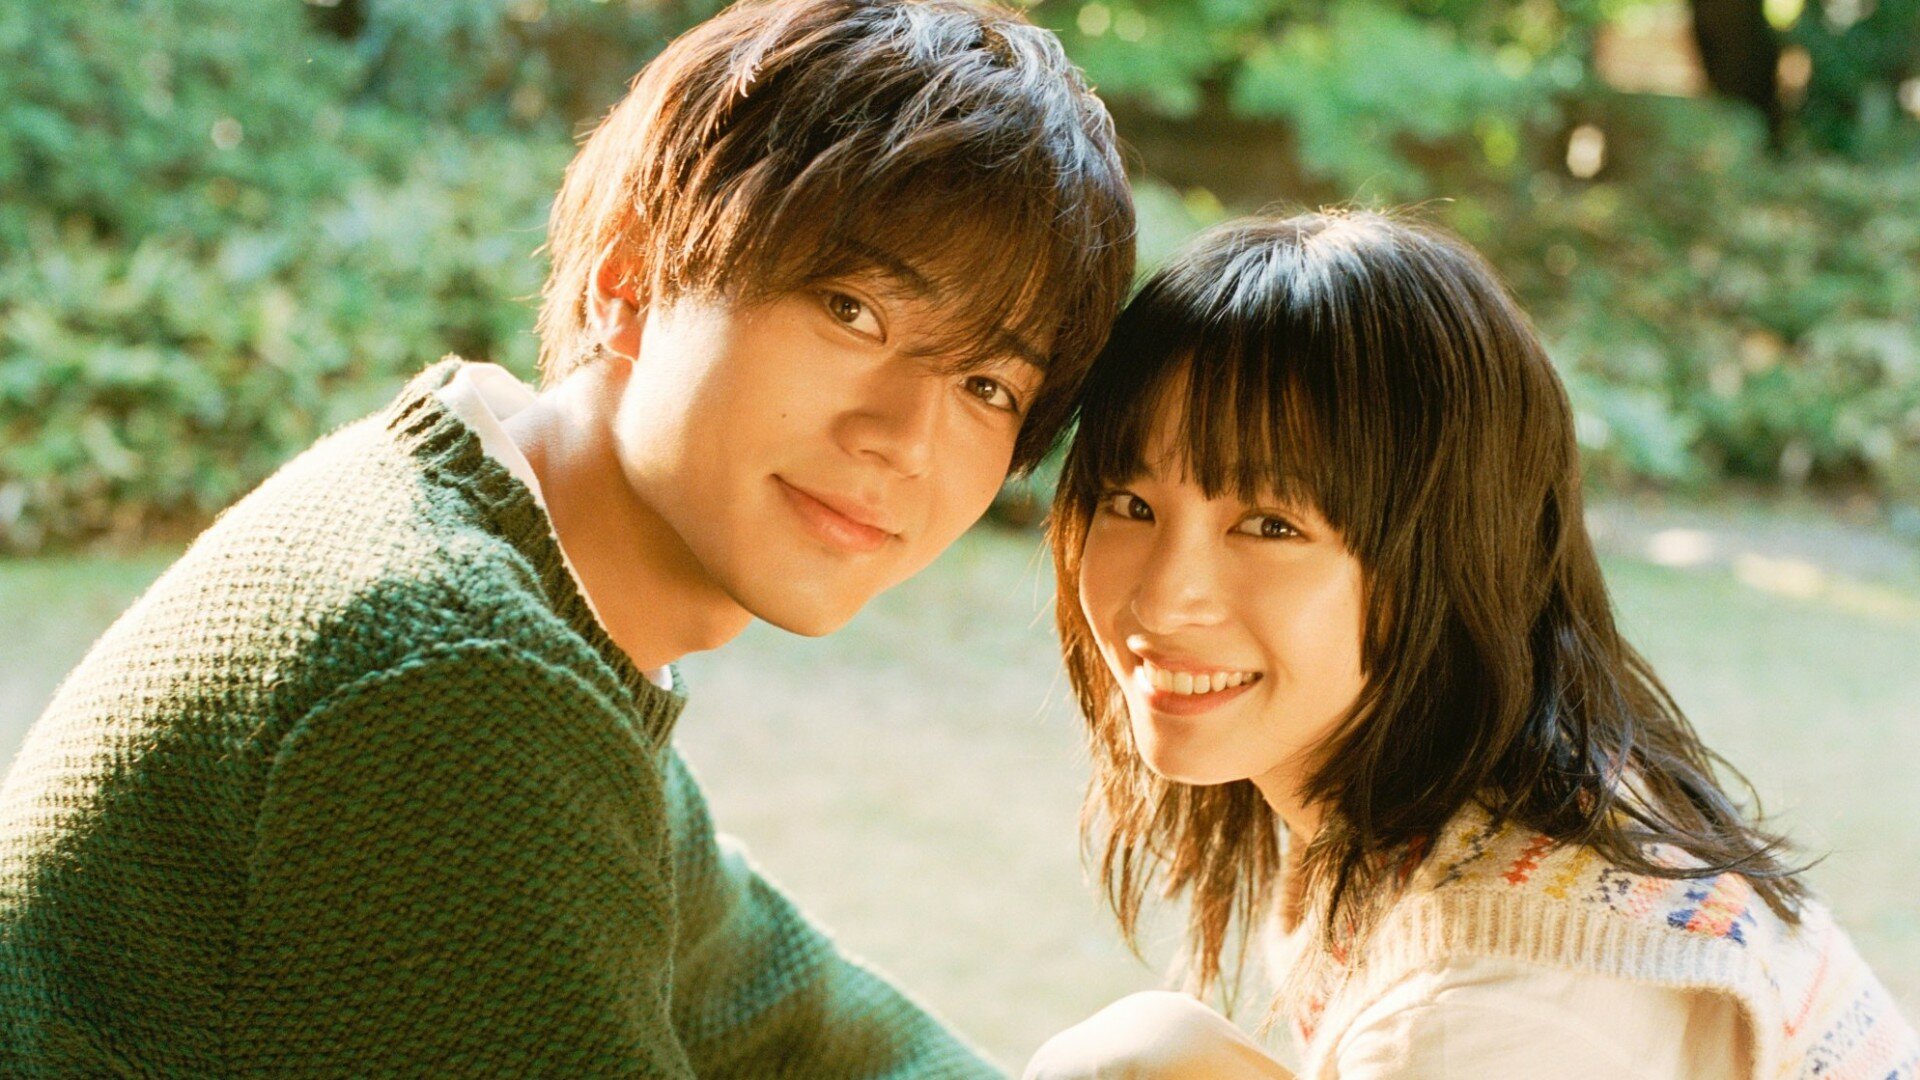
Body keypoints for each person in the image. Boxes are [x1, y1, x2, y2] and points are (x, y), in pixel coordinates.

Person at [0, 0, 1132, 1073]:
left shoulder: (505, 564)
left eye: (986, 384)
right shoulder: (457, 677)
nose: (907, 441)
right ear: (628, 280)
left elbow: (782, 1014)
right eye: (854, 312)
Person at [1025, 212, 1918, 1079]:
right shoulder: (1516, 791)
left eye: (1269, 524)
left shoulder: (1488, 1015)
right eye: (1129, 505)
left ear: (1453, 557)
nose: (1161, 599)